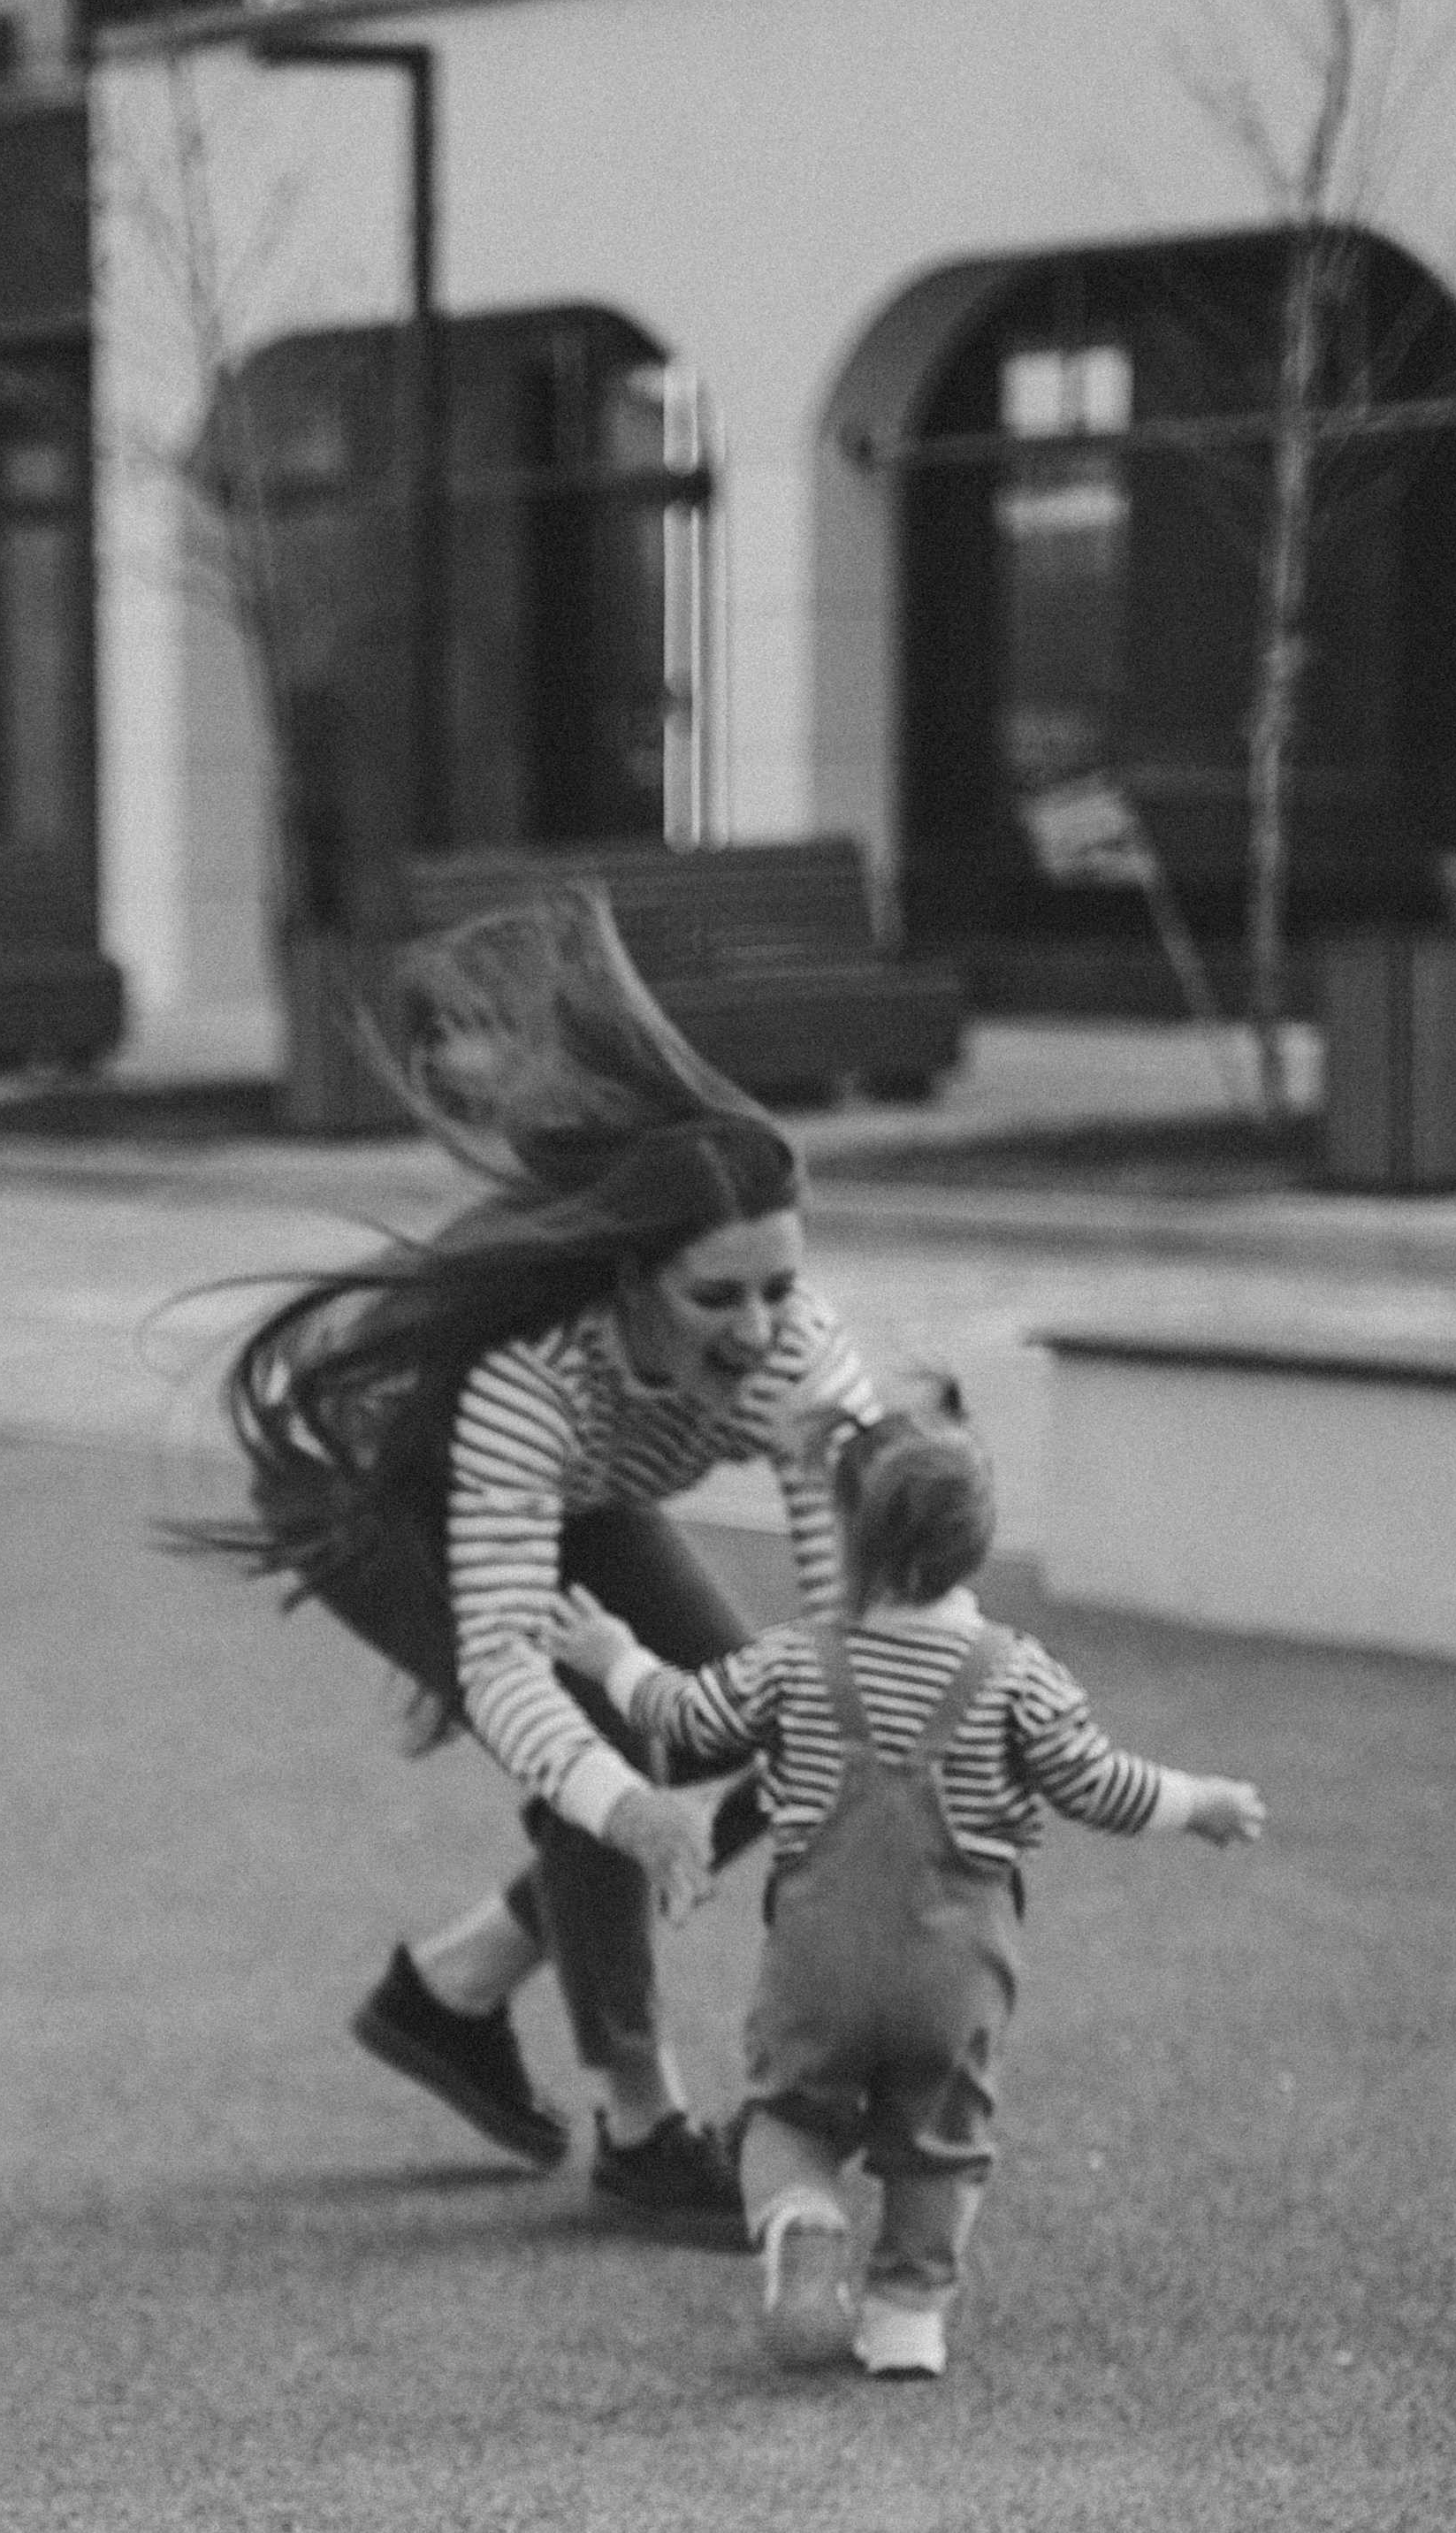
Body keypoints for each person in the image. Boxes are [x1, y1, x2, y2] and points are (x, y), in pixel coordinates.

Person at [179, 884, 928, 2241]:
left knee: (745, 1725)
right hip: (368, 1490)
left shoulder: (800, 1352)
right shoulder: (526, 1378)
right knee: (604, 1741)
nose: (761, 1328)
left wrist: (815, 1471)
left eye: (779, 1285)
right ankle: (640, 2122)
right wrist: (628, 1804)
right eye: (718, 1295)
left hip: (590, 1491)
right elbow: (505, 1662)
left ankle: (452, 1988)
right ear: (624, 1278)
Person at [548, 1405, 1267, 2369]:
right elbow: (1103, 1786)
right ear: (976, 1540)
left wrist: (615, 1655)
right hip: (953, 1971)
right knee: (941, 2144)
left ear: (850, 1536)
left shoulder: (794, 1659)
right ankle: (904, 2314)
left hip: (815, 1960)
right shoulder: (1018, 1676)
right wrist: (1201, 1801)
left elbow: (684, 1714)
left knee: (787, 2120)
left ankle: (802, 2217)